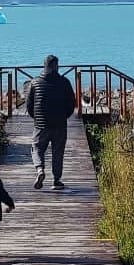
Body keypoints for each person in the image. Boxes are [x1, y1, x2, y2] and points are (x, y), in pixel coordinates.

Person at [26, 54, 76, 190]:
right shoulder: (64, 82)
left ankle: (40, 170)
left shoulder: (35, 82)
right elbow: (72, 103)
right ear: (56, 66)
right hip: (60, 124)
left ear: (44, 66)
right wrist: (64, 116)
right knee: (58, 152)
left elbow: (29, 105)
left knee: (36, 148)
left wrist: (36, 118)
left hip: (41, 125)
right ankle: (56, 180)